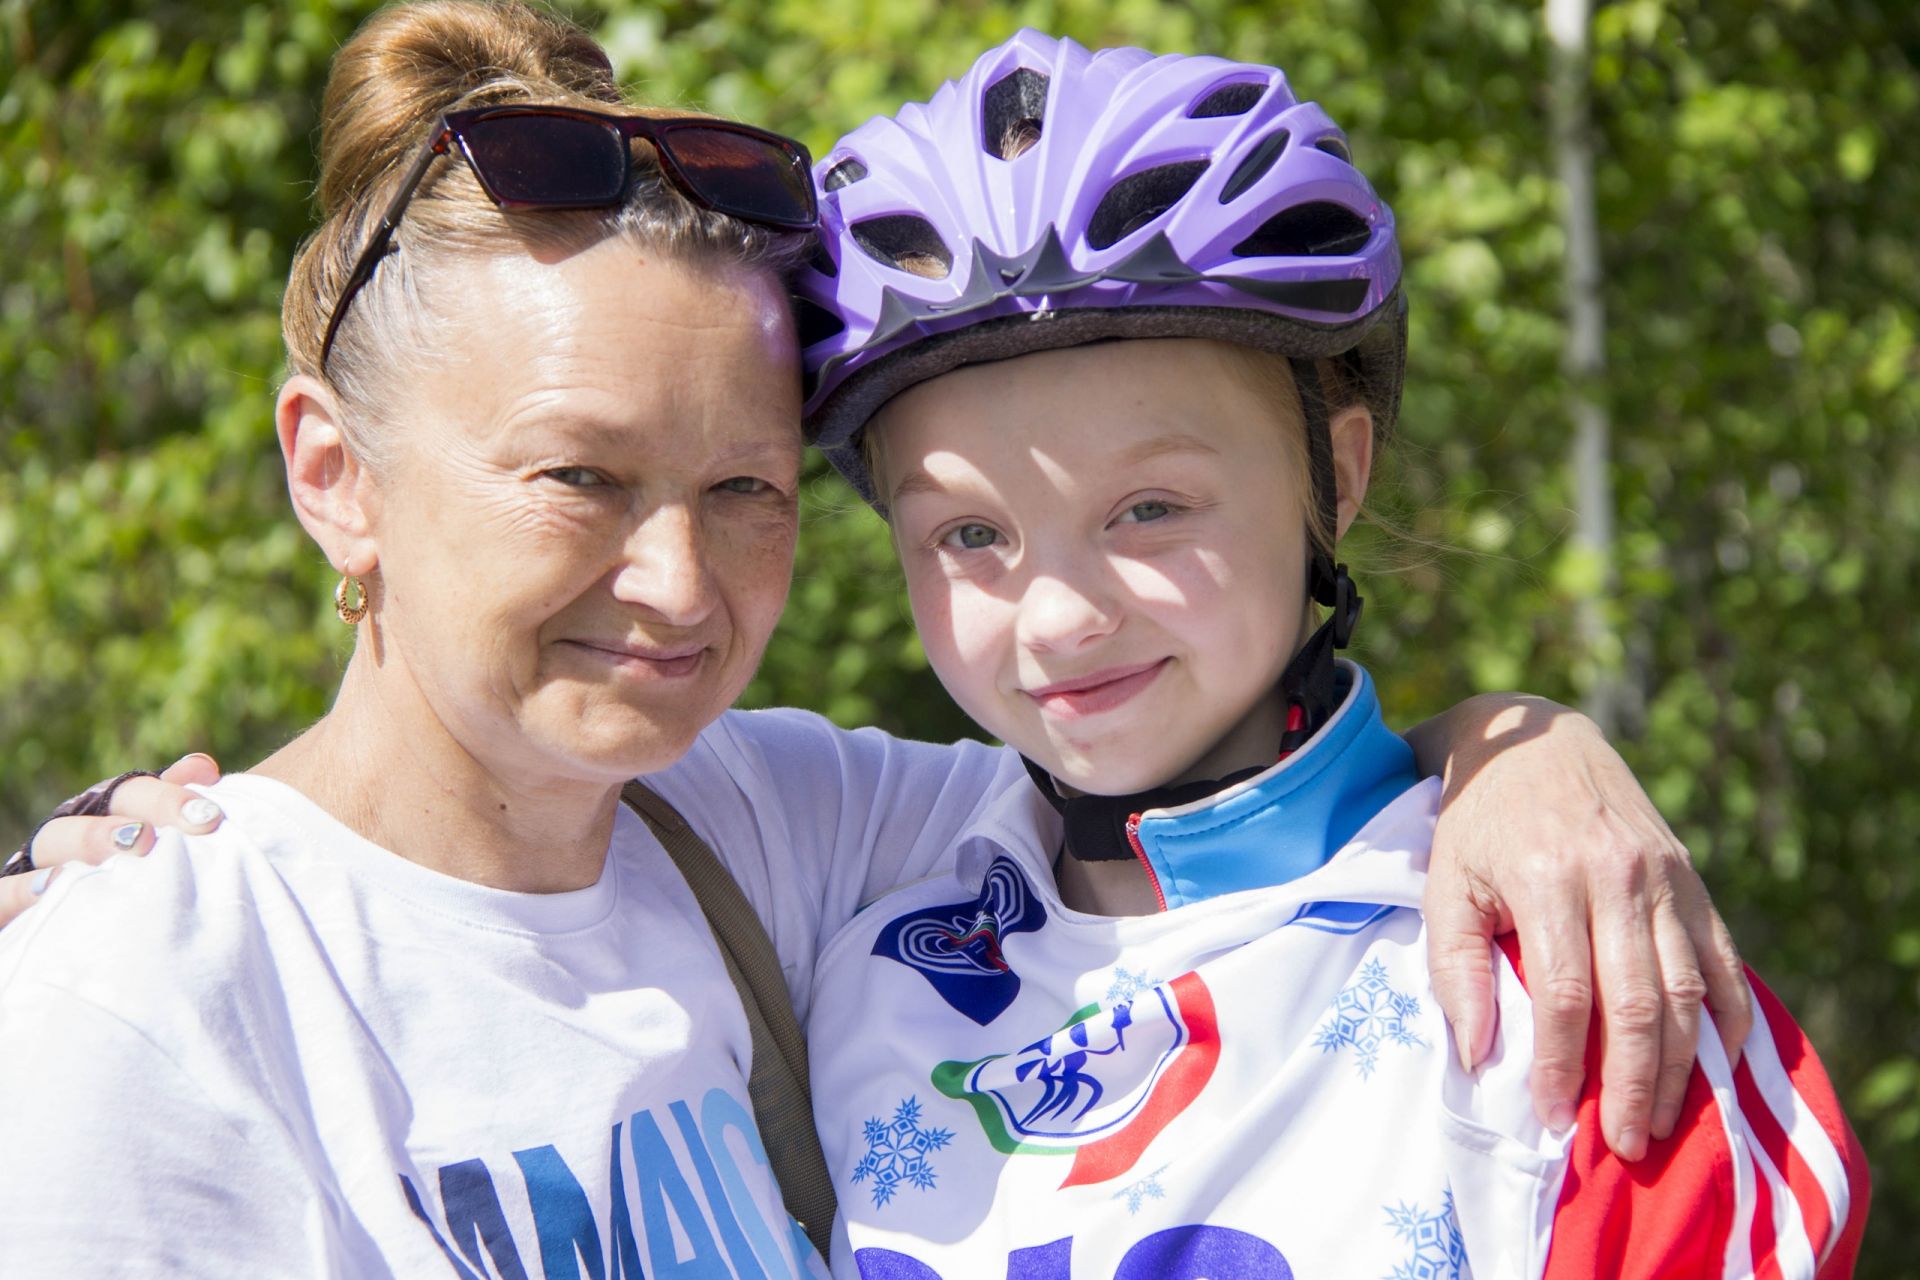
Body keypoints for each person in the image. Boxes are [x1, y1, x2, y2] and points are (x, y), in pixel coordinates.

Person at [0, 1, 1755, 1273]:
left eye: (747, 488)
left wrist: (1519, 755)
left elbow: (1194, 799)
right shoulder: (141, 991)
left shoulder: (774, 831)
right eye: (580, 478)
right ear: (334, 473)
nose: (682, 586)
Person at [788, 31, 1867, 1277]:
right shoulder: (857, 953)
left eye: (1150, 509)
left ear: (1336, 478)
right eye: (971, 533)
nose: (1056, 619)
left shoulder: (1578, 983)